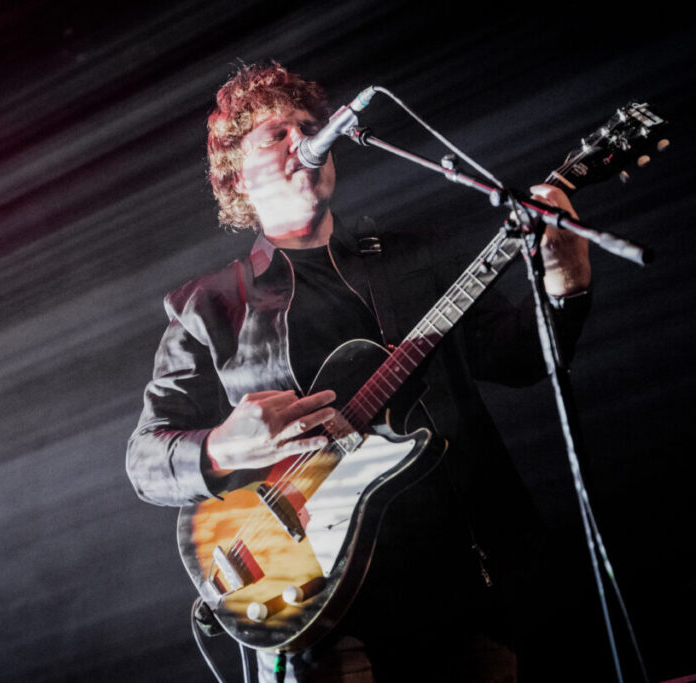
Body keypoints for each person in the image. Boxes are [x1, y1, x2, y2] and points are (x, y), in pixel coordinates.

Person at [127, 62, 591, 682]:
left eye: (310, 126)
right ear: (236, 174)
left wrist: (567, 285)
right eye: (276, 133)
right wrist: (221, 444)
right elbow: (145, 459)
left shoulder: (415, 257)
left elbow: (521, 359)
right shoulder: (208, 308)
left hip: (454, 591)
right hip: (314, 617)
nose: (304, 139)